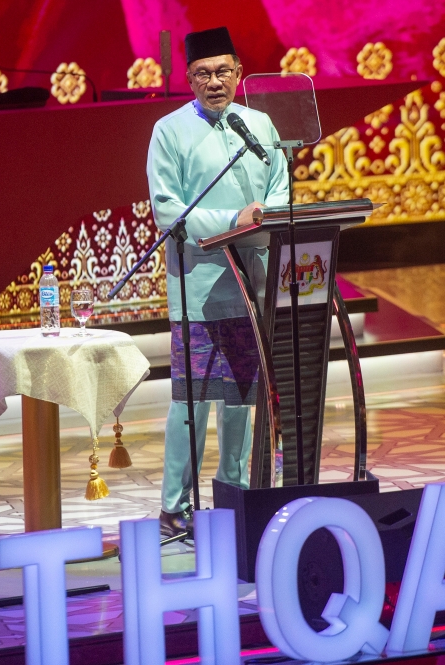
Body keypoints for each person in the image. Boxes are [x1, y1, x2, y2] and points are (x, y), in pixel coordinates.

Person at [147, 26, 289, 537]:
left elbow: (279, 191)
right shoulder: (170, 130)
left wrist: (261, 218)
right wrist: (237, 220)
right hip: (199, 288)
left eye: (224, 71)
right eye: (204, 73)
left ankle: (235, 496)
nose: (215, 81)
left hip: (251, 288)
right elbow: (168, 212)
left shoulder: (260, 125)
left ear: (239, 74)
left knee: (242, 402)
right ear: (188, 79)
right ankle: (173, 507)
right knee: (191, 401)